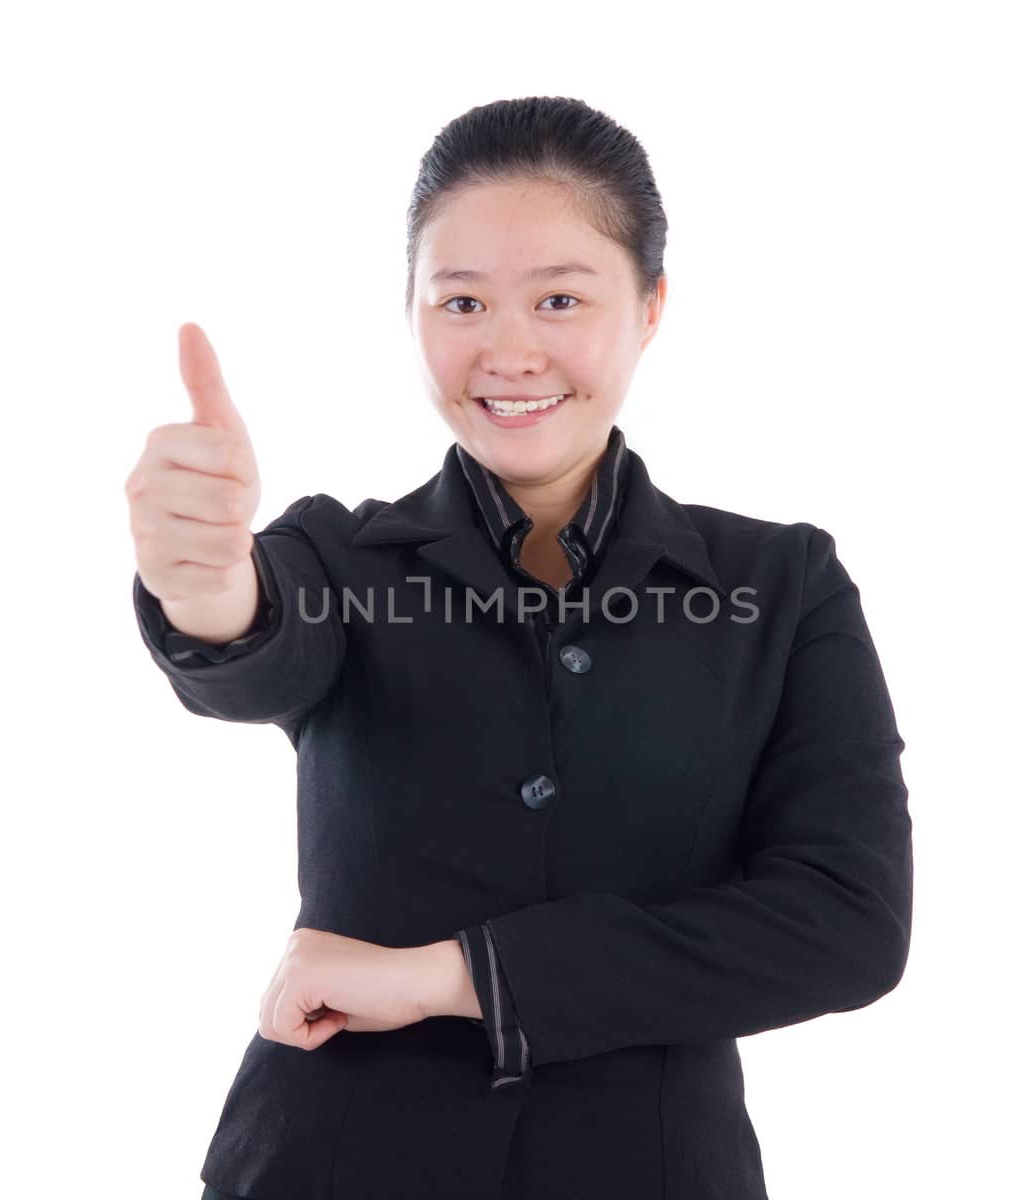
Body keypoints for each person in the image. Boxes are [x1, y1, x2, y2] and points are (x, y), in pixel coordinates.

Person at [124, 95, 913, 1200]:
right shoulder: (339, 556)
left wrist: (455, 978)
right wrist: (204, 587)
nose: (507, 350)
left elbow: (845, 924)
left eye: (558, 298)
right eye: (461, 300)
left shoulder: (778, 587)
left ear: (649, 308)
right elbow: (264, 638)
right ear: (411, 314)